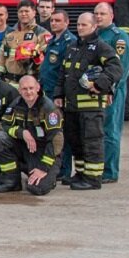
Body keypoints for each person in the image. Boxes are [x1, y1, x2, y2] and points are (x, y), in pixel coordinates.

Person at [57, 12, 121, 190]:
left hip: (91, 107)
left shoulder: (101, 47)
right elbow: (64, 74)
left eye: (84, 25)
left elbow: (116, 68)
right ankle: (81, 173)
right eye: (78, 25)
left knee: (92, 141)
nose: (79, 28)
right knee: (76, 142)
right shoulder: (73, 47)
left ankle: (93, 179)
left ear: (94, 27)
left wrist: (101, 85)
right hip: (72, 106)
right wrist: (58, 95)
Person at [0, 75, 63, 195]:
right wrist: (21, 132)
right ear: (19, 90)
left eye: (31, 88)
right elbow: (2, 126)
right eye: (24, 89)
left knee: (37, 189)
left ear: (38, 88)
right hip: (25, 148)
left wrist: (43, 168)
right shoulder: (16, 104)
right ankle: (12, 181)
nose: (28, 92)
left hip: (45, 153)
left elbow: (56, 141)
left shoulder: (49, 108)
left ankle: (48, 178)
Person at [95, 2, 129, 184]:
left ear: (112, 16)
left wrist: (110, 90)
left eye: (102, 13)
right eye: (96, 13)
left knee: (111, 131)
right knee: (98, 132)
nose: (99, 17)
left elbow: (122, 70)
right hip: (95, 91)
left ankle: (110, 172)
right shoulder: (95, 35)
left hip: (112, 92)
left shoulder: (119, 38)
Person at [40, 10, 77, 180]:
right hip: (47, 92)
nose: (53, 23)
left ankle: (64, 170)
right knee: (50, 131)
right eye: (52, 20)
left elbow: (66, 72)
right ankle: (56, 167)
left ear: (67, 22)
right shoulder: (53, 40)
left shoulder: (69, 42)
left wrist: (59, 94)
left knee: (61, 133)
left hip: (58, 95)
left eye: (58, 20)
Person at [0, 0, 49, 82]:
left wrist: (32, 60)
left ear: (34, 12)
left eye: (27, 11)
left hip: (30, 82)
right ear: (17, 13)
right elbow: (1, 56)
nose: (23, 14)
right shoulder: (10, 32)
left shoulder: (41, 33)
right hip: (8, 82)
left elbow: (46, 61)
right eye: (21, 11)